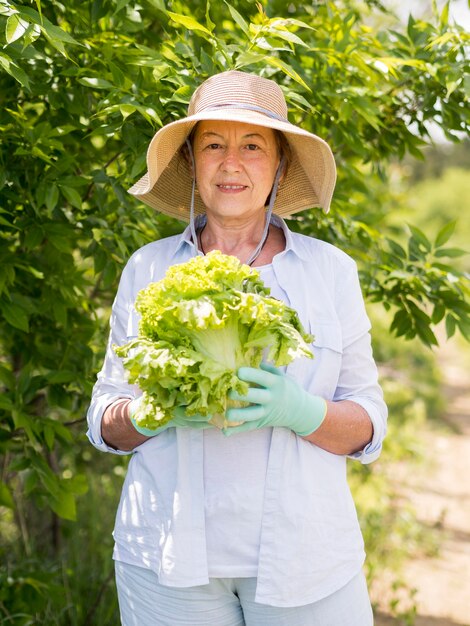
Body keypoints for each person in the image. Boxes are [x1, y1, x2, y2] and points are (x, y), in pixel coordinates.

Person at [87, 70, 387, 626]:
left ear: (279, 165)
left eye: (253, 145)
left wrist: (301, 412)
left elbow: (369, 425)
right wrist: (152, 413)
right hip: (166, 563)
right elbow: (104, 421)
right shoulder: (149, 268)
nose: (232, 162)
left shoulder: (330, 271)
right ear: (191, 163)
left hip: (307, 562)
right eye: (213, 145)